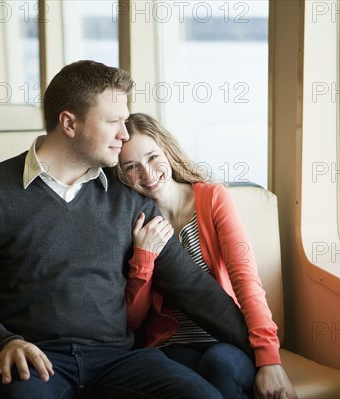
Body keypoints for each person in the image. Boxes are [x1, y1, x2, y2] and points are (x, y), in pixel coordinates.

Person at [0, 60, 252, 399]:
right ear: (69, 123)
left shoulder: (127, 199)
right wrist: (3, 343)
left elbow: (192, 287)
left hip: (118, 360)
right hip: (34, 364)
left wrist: (264, 352)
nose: (125, 134)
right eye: (114, 122)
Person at [117, 113, 298, 399]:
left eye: (152, 157)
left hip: (226, 339)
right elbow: (133, 320)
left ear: (168, 151)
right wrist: (144, 256)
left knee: (220, 367)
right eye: (131, 167)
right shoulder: (132, 222)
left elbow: (246, 280)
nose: (147, 174)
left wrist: (269, 358)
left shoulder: (213, 198)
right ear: (122, 175)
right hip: (170, 345)